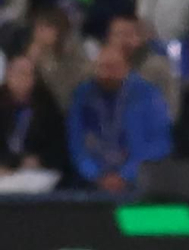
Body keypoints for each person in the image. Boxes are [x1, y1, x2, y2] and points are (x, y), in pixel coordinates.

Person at [66, 37, 173, 192]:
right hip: (92, 183)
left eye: (113, 67)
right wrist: (95, 174)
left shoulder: (147, 94)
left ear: (127, 67)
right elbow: (76, 143)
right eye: (102, 67)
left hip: (139, 182)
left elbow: (161, 141)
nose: (107, 73)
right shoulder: (83, 95)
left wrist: (126, 174)